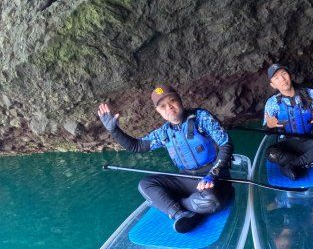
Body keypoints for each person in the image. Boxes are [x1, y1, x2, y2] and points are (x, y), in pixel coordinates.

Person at [97, 85, 234, 233]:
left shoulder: (201, 117)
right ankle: (180, 213)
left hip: (213, 177)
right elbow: (136, 146)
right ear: (158, 111)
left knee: (212, 201)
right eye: (163, 106)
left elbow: (225, 144)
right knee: (145, 185)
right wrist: (114, 131)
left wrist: (213, 174)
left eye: (172, 101)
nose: (169, 107)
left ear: (179, 100)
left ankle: (177, 204)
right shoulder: (163, 133)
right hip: (185, 177)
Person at [263, 63, 313, 180]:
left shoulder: (310, 94)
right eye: (276, 78)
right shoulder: (272, 103)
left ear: (290, 75)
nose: (282, 79)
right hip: (286, 143)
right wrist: (269, 125)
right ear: (273, 85)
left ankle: (291, 165)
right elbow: (266, 130)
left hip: (308, 141)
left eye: (284, 74)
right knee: (270, 153)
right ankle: (312, 162)